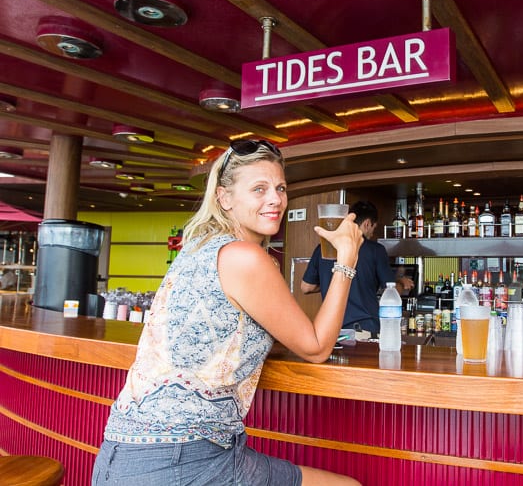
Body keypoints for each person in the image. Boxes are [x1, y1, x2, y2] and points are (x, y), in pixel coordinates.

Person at [92, 139, 363, 486]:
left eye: (280, 188)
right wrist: (346, 260)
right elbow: (317, 347)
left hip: (119, 456)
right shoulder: (245, 258)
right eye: (259, 189)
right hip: (183, 460)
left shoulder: (197, 249)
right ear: (224, 198)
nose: (276, 199)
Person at [300, 201, 414, 336]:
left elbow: (306, 287)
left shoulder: (323, 249)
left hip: (331, 331)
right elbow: (391, 291)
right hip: (363, 329)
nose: (372, 233)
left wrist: (332, 281)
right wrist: (402, 282)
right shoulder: (375, 250)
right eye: (373, 227)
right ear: (367, 224)